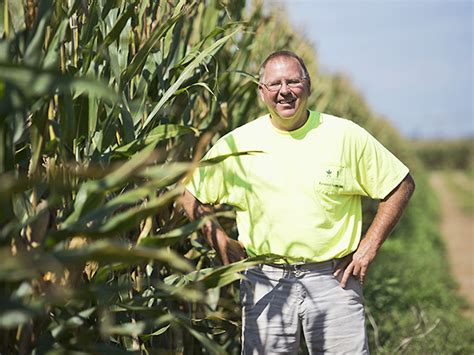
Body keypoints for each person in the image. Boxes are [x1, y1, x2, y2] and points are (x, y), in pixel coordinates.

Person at [180, 50, 415, 354]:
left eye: (293, 81)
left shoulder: (344, 136)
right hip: (266, 281)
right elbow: (189, 196)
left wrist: (368, 247)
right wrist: (220, 240)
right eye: (274, 84)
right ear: (261, 92)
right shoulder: (237, 145)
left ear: (308, 85)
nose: (284, 91)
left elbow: (400, 185)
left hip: (334, 282)